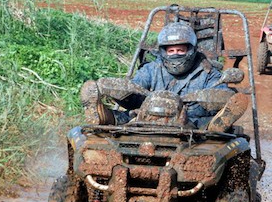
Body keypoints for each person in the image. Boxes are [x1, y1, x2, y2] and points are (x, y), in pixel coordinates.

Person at [80, 22, 247, 132]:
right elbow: (135, 90)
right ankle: (103, 115)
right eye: (171, 51)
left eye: (180, 50)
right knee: (127, 117)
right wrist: (122, 92)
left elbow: (223, 93)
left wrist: (224, 101)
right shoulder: (151, 69)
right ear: (163, 52)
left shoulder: (208, 72)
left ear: (191, 50)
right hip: (146, 120)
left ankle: (217, 124)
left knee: (212, 126)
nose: (176, 54)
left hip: (192, 125)